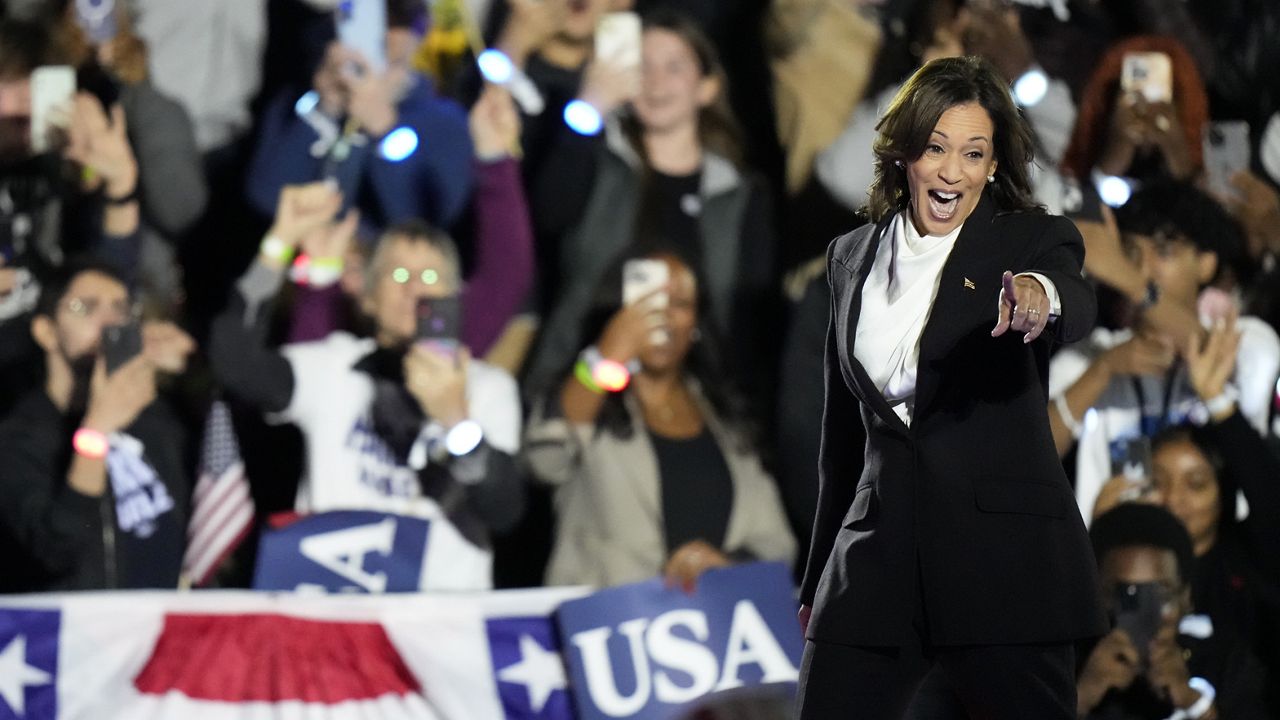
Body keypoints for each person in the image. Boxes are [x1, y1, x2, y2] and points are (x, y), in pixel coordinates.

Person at [796, 56, 1106, 718]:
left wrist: (1038, 300)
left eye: (973, 153)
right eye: (935, 148)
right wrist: (820, 572)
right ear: (904, 152)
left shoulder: (1028, 239)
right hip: (875, 565)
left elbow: (1075, 299)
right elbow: (842, 442)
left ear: (993, 165)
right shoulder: (851, 255)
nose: (950, 171)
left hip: (1001, 563)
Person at [209, 181, 524, 591]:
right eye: (397, 274)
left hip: (439, 625)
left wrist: (456, 422)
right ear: (369, 297)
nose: (415, 287)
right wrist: (280, 241)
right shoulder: (336, 366)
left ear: (454, 296)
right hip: (339, 612)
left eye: (430, 275)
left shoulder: (487, 387)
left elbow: (505, 511)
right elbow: (235, 364)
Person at [524, 11, 777, 410]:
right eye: (642, 67)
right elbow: (547, 216)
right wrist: (588, 109)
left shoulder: (740, 196)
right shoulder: (600, 162)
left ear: (707, 87)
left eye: (674, 67)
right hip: (585, 388)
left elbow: (746, 322)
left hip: (690, 402)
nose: (655, 81)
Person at [524, 249, 795, 588]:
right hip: (609, 624)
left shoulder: (725, 415)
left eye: (678, 304)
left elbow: (777, 544)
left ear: (696, 320)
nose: (662, 317)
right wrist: (604, 357)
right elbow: (544, 461)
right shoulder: (589, 399)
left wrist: (729, 567)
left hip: (713, 624)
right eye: (647, 303)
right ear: (617, 309)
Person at [1047, 182, 1279, 522]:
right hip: (1117, 554)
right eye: (1130, 252)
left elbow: (1204, 348)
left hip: (1225, 562)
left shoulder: (1247, 339)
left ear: (1206, 263)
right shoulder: (1094, 355)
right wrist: (1102, 372)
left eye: (1164, 250)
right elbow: (1027, 457)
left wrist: (1123, 273)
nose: (1142, 268)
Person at [0, 258, 195, 592]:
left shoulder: (151, 417)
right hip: (84, 636)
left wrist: (194, 365)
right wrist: (96, 431)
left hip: (159, 631)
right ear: (46, 331)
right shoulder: (20, 436)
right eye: (85, 308)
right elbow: (56, 549)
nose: (109, 322)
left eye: (120, 309)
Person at [1078, 503, 1270, 719]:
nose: (1147, 614)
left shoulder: (1227, 666)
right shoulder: (1068, 667)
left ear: (1185, 597)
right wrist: (1081, 697)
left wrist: (1195, 703)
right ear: (1096, 598)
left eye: (1160, 595)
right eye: (1127, 595)